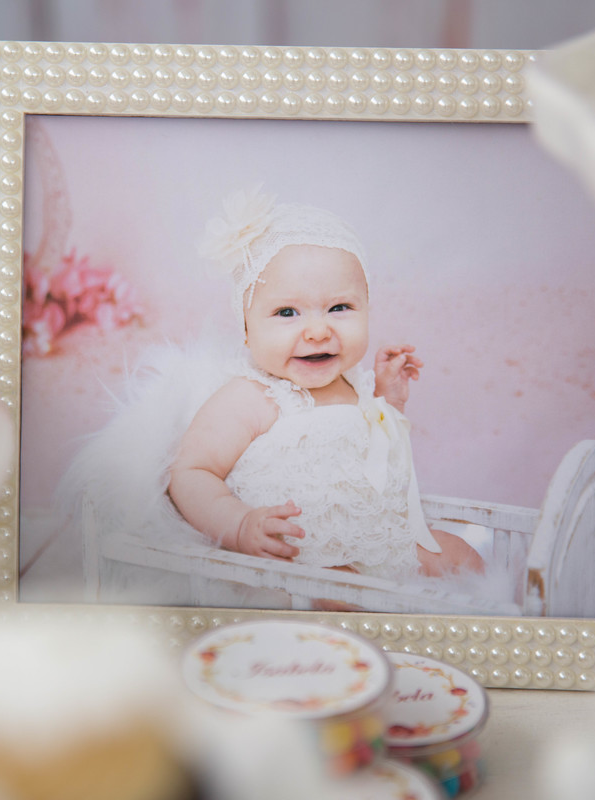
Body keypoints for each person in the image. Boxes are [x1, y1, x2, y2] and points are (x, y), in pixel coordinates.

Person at [167, 188, 484, 580]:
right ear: (246, 331)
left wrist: (388, 402)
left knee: (464, 557)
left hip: (379, 542)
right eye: (287, 312)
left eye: (340, 308)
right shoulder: (251, 396)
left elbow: (378, 458)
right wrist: (239, 525)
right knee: (340, 592)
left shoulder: (356, 387)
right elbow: (191, 472)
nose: (318, 330)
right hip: (303, 563)